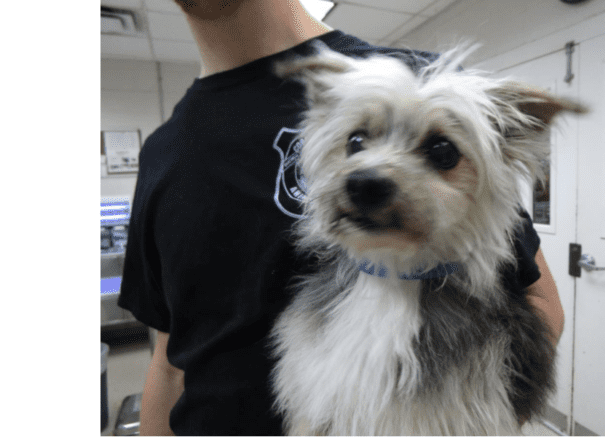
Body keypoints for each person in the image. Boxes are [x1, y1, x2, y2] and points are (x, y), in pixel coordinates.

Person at [117, 0, 565, 435]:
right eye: (357, 143)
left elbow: (540, 305)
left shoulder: (425, 87)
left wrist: (476, 418)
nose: (371, 171)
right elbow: (169, 360)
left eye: (438, 152)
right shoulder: (162, 153)